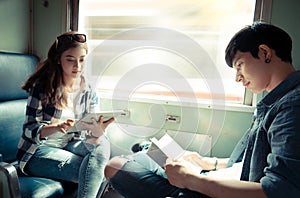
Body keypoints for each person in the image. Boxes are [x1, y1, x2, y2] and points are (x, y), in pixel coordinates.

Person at [104, 22, 300, 197]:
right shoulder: (275, 102)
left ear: (265, 53)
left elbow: (279, 190)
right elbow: (251, 163)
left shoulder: (291, 107)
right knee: (145, 148)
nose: (237, 78)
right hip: (220, 178)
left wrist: (192, 180)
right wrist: (209, 162)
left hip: (216, 189)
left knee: (115, 166)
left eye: (239, 65)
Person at [17, 31, 114, 197]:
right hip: (38, 151)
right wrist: (56, 127)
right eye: (70, 59)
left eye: (82, 59)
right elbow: (30, 129)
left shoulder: (88, 89)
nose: (78, 66)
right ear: (58, 59)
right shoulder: (41, 87)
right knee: (97, 171)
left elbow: (90, 131)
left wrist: (98, 130)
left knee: (102, 145)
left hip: (71, 143)